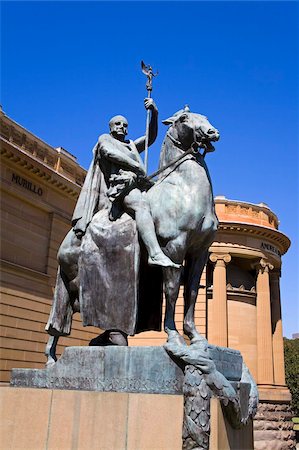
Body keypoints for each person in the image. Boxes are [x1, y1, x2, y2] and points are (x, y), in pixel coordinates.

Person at [72, 98, 179, 269]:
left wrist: (155, 112)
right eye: (118, 124)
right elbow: (108, 153)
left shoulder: (130, 145)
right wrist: (135, 165)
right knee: (142, 205)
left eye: (125, 125)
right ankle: (154, 253)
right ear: (111, 127)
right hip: (119, 187)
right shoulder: (105, 139)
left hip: (137, 183)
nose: (122, 127)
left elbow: (150, 138)